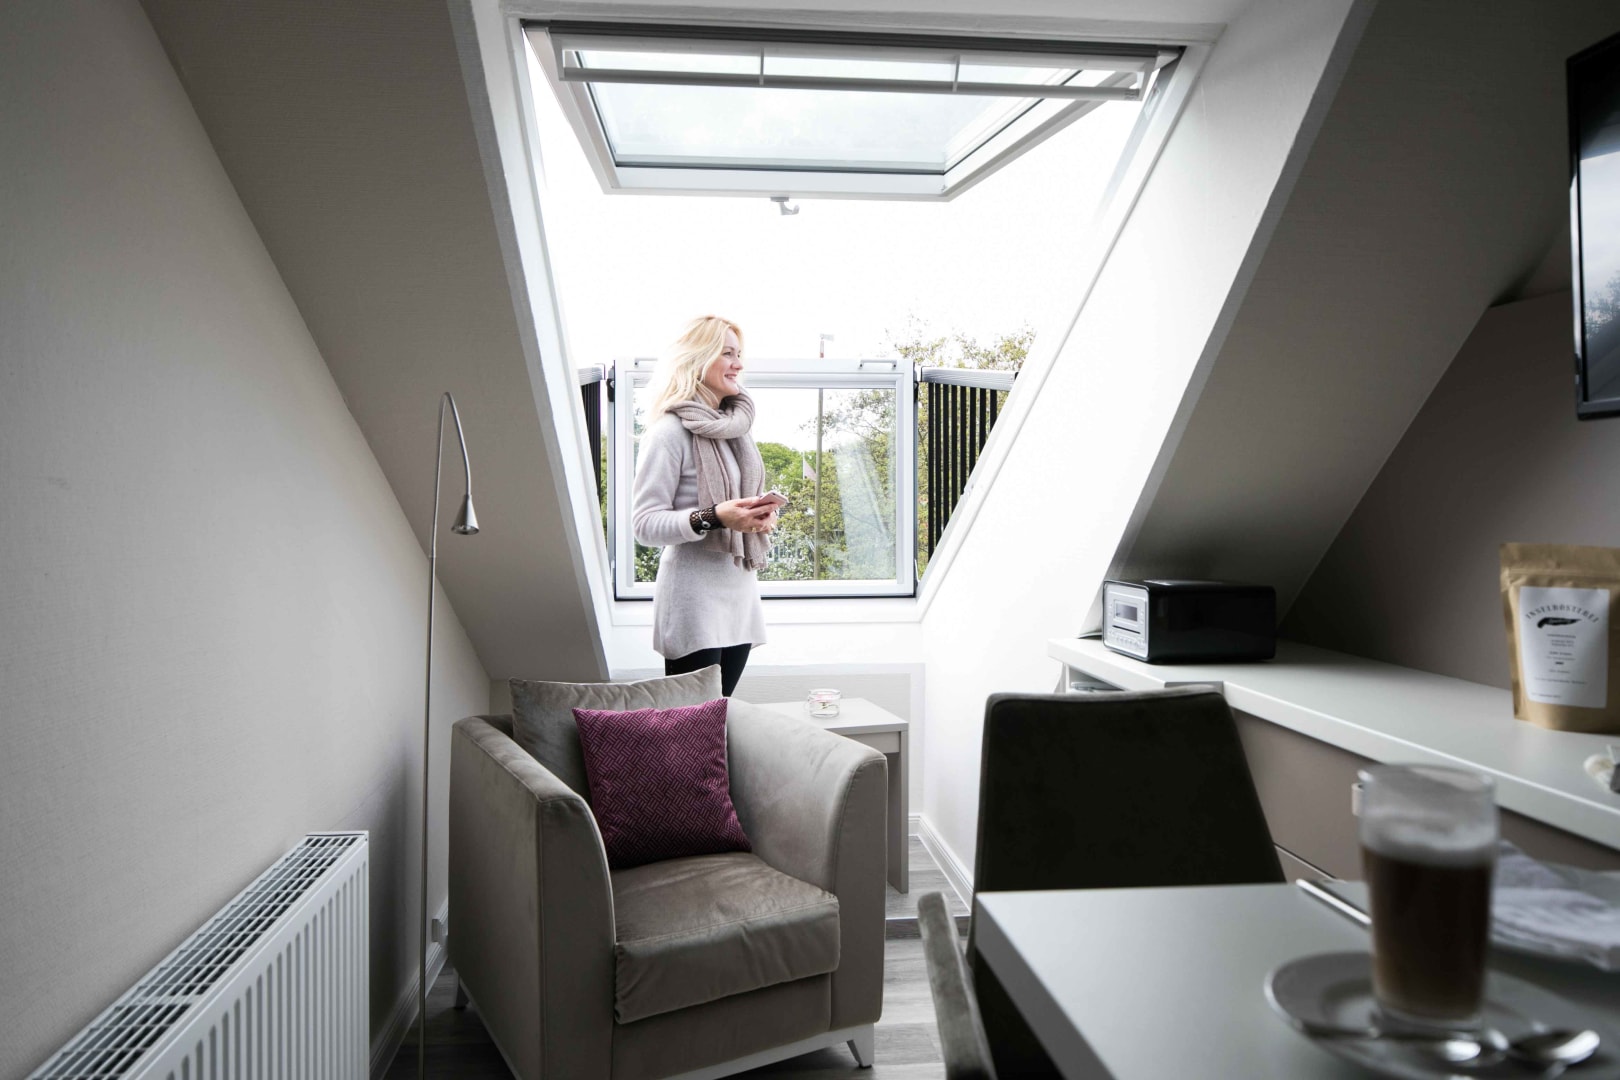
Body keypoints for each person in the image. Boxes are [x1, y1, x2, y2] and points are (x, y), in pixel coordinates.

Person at [631, 315, 777, 696]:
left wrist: (757, 516)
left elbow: (737, 502)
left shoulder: (736, 430)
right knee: (691, 725)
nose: (738, 364)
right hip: (692, 604)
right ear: (699, 358)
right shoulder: (668, 433)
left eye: (739, 354)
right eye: (727, 353)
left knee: (719, 719)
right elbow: (644, 524)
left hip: (739, 598)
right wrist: (714, 517)